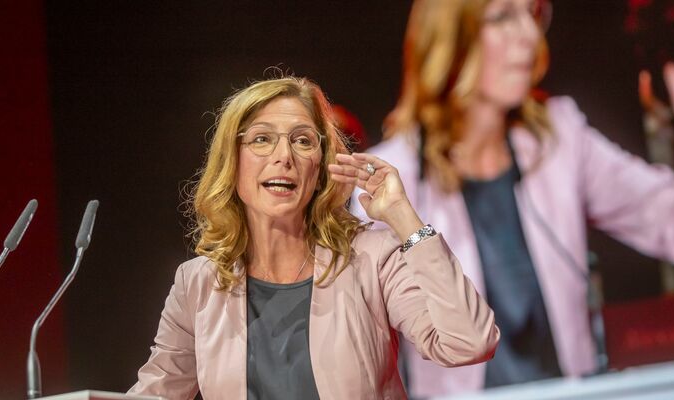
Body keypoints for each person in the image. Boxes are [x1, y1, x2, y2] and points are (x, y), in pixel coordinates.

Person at [350, 0, 674, 397]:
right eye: (504, 16)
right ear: (453, 36)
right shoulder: (393, 176)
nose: (528, 35)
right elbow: (363, 344)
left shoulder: (560, 138)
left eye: (533, 14)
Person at [128, 76, 500, 400]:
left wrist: (401, 214)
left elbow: (468, 342)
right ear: (233, 161)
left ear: (320, 166)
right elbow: (155, 393)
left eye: (303, 141)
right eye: (261, 139)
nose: (283, 156)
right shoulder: (198, 284)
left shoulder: (371, 257)